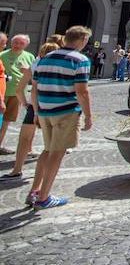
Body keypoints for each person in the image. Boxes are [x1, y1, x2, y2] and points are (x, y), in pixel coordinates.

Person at [29, 25, 93, 209]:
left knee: (47, 150)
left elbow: (35, 87)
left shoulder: (45, 58)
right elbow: (82, 92)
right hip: (66, 112)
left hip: (45, 111)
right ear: (81, 40)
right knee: (57, 153)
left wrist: (36, 111)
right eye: (86, 40)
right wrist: (88, 115)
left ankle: (35, 190)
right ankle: (43, 197)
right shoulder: (80, 60)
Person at [3, 39, 61, 179]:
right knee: (51, 143)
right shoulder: (60, 67)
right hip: (53, 106)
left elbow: (19, 89)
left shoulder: (34, 65)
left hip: (34, 107)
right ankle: (44, 176)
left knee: (24, 139)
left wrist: (25, 104)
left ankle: (16, 170)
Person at [1, 34, 36, 154]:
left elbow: (34, 75)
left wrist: (27, 72)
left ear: (26, 45)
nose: (18, 45)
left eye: (21, 43)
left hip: (17, 95)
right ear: (11, 43)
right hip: (2, 93)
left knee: (7, 120)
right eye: (16, 42)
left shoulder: (30, 57)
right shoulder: (2, 55)